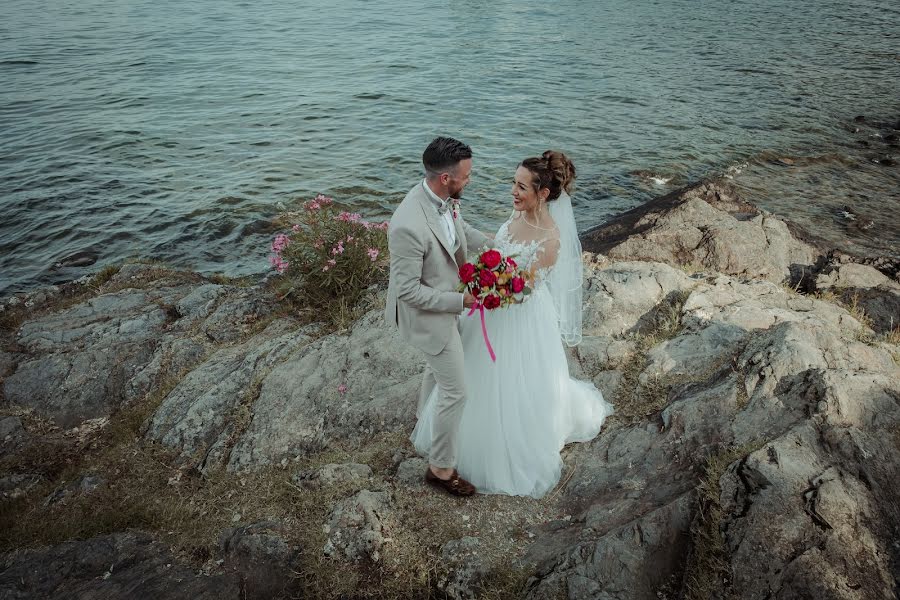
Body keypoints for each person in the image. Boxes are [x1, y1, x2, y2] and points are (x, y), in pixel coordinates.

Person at [411, 151, 613, 498]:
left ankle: (496, 444)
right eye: (513, 183)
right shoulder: (518, 214)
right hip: (488, 310)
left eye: (521, 187)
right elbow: (500, 246)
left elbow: (522, 290)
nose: (513, 192)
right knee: (465, 377)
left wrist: (488, 287)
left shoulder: (550, 241)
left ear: (543, 194)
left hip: (520, 320)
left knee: (509, 383)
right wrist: (468, 250)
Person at [385, 136, 490, 496]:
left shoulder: (444, 200)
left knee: (436, 372)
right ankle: (440, 470)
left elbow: (458, 232)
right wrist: (461, 302)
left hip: (447, 300)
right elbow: (408, 292)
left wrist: (495, 243)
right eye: (466, 175)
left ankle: (423, 426)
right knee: (457, 392)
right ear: (445, 178)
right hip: (431, 316)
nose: (470, 180)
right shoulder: (407, 225)